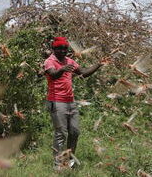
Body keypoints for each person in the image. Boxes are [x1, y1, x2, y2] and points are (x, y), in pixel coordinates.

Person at [43, 36, 106, 169]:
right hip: (56, 101)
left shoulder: (70, 61)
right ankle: (58, 165)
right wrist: (62, 69)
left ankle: (69, 161)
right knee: (61, 134)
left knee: (75, 132)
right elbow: (53, 74)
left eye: (65, 48)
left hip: (70, 102)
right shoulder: (49, 61)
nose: (63, 51)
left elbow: (83, 72)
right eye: (59, 48)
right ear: (54, 49)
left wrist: (98, 64)